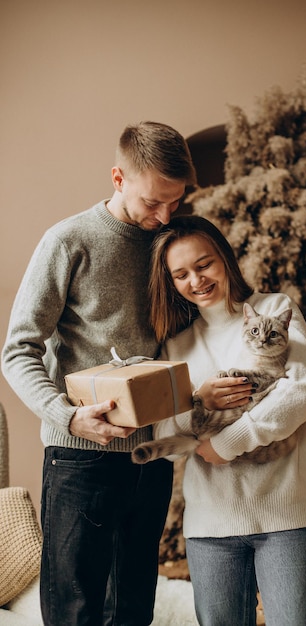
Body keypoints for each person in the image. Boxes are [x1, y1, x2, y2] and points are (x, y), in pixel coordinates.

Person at [1, 122, 197, 626]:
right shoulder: (68, 241)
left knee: (133, 606)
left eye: (175, 203)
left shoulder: (170, 243)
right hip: (78, 459)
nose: (164, 215)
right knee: (74, 609)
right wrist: (67, 418)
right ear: (117, 177)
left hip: (148, 457)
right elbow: (17, 350)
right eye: (154, 202)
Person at [149, 215, 306, 626]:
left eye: (204, 264)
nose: (196, 280)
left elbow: (304, 390)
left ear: (224, 258)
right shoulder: (176, 344)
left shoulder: (275, 309)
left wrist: (227, 443)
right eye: (180, 274)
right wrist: (199, 399)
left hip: (289, 515)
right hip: (212, 525)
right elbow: (162, 431)